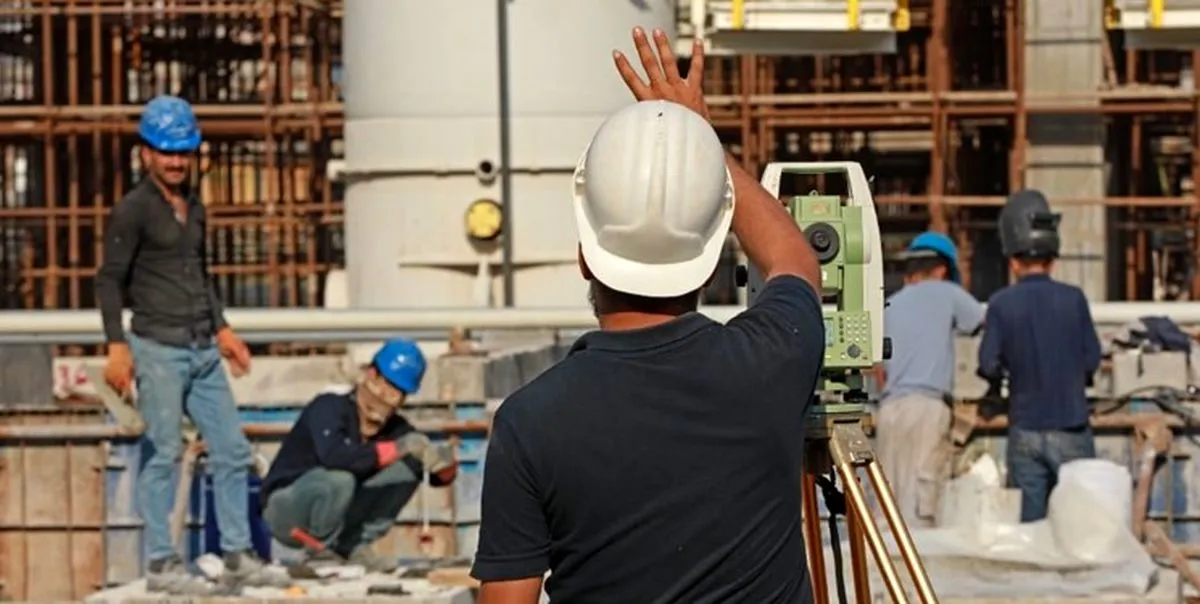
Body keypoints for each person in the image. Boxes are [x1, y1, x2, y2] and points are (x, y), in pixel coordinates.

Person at [470, 28, 825, 603]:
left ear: (585, 257)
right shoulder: (772, 360)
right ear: (709, 261)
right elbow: (794, 258)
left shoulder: (529, 422)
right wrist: (701, 143)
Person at [95, 95, 274, 594]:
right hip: (158, 349)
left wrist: (223, 330)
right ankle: (161, 562)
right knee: (164, 453)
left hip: (201, 348)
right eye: (167, 152)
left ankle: (237, 554)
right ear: (146, 153)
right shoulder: (132, 211)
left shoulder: (193, 206)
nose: (176, 161)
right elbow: (109, 280)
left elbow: (199, 273)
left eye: (183, 152)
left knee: (232, 450)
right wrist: (116, 346)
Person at [261, 338, 458, 573]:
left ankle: (353, 545)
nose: (388, 396)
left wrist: (441, 463)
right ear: (371, 374)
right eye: (387, 384)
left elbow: (437, 477)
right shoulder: (329, 407)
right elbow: (335, 457)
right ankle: (318, 551)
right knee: (340, 479)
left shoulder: (395, 428)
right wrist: (396, 449)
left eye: (398, 391)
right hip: (287, 509)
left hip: (338, 513)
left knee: (408, 467)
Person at [977, 189, 1102, 522]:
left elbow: (988, 364)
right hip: (1072, 425)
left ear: (1013, 261)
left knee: (1030, 529)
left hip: (1026, 428)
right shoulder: (1074, 299)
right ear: (1053, 259)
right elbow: (1092, 358)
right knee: (1079, 523)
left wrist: (1008, 373)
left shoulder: (1001, 303)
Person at [872, 231, 984, 528]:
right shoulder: (948, 293)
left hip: (890, 410)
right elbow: (980, 321)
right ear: (943, 269)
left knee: (887, 504)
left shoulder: (890, 305)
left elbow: (879, 369)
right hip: (927, 408)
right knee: (923, 505)